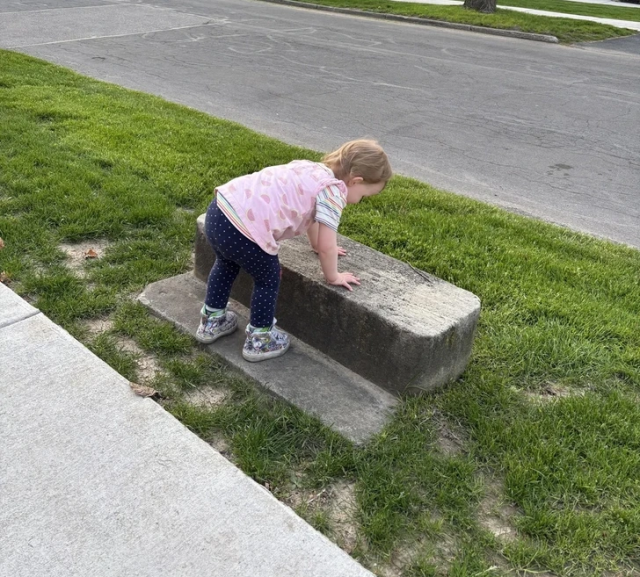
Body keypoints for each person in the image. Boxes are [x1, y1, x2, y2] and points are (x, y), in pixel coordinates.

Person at [195, 139, 393, 362]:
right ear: (356, 181)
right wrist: (333, 276)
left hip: (220, 210)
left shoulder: (310, 168)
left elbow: (313, 218)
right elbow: (328, 245)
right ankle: (260, 340)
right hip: (246, 231)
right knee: (268, 279)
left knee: (226, 264)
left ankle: (212, 322)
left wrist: (315, 245)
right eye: (364, 195)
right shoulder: (333, 192)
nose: (359, 201)